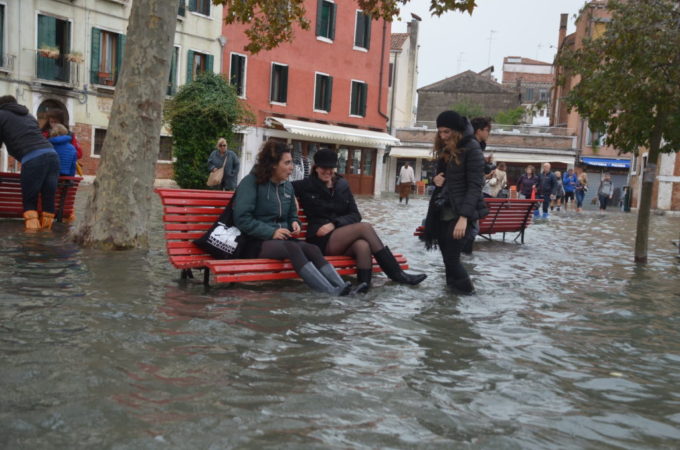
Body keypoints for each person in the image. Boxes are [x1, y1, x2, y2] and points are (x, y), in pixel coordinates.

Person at [293, 148, 427, 293]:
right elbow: (281, 188)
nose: (328, 171)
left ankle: (363, 288)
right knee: (365, 228)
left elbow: (355, 215)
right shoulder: (306, 185)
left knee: (362, 245)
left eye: (331, 168)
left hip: (340, 234)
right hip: (320, 240)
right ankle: (397, 274)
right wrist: (292, 203)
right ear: (316, 167)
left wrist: (334, 224)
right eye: (323, 168)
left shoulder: (342, 185)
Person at [232, 140, 352, 296]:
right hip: (253, 242)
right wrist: (271, 232)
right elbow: (241, 218)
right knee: (293, 247)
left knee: (312, 249)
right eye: (287, 163)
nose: (292, 167)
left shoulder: (287, 186)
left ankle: (343, 288)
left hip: (282, 240)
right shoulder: (251, 183)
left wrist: (295, 222)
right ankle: (328, 292)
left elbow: (291, 215)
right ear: (273, 164)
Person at [424, 110, 488, 295]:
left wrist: (464, 217)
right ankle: (452, 299)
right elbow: (443, 178)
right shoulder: (446, 149)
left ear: (456, 131)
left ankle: (470, 296)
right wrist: (435, 180)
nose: (442, 136)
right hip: (443, 210)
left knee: (452, 259)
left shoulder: (472, 148)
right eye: (440, 132)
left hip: (460, 213)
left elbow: (475, 186)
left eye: (446, 132)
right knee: (447, 260)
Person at [0, 95, 60, 230]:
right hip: (52, 156)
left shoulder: (1, 115)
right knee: (48, 199)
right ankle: (46, 235)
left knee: (30, 201)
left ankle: (31, 239)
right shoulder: (29, 116)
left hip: (33, 159)